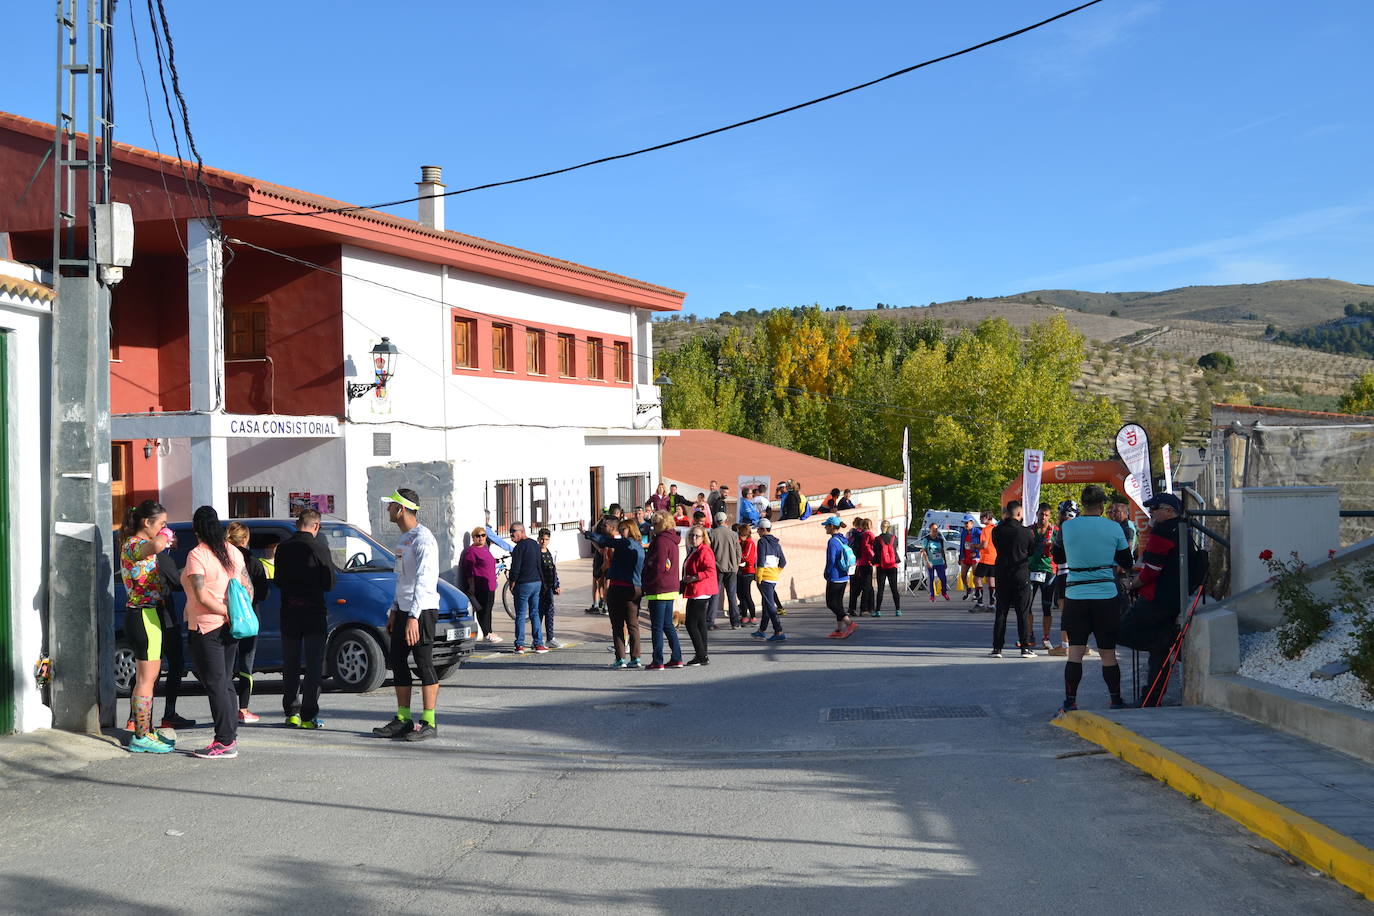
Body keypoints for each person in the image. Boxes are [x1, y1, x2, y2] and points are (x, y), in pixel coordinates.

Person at [1053, 485, 1134, 713]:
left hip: (1075, 595)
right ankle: (1115, 700)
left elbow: (1058, 557)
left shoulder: (1066, 527)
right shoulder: (1114, 527)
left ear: (1084, 504)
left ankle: (1070, 702)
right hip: (1105, 595)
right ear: (1101, 506)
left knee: (1075, 653)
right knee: (1107, 653)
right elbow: (1127, 562)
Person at [371, 489, 444, 741]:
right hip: (403, 609)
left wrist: (413, 616)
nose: (388, 510)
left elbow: (425, 580)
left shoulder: (424, 539)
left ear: (401, 509)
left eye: (391, 506)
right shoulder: (404, 540)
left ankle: (429, 722)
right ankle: (403, 718)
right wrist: (394, 609)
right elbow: (402, 578)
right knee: (398, 660)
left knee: (423, 663)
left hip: (421, 610)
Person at [182, 505, 252, 759]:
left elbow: (200, 594)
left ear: (196, 529)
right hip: (231, 627)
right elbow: (247, 586)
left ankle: (224, 742)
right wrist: (236, 613)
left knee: (215, 684)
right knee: (224, 682)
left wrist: (224, 612)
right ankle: (229, 736)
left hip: (207, 626)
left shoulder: (197, 555)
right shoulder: (233, 551)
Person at [1123, 493, 1192, 707]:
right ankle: (1151, 697)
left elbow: (1152, 569)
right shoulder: (1184, 528)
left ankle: (1173, 646)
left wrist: (1134, 584)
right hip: (1175, 595)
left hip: (1159, 597)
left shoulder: (1162, 531)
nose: (1151, 512)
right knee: (1157, 649)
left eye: (1155, 508)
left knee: (1126, 630)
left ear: (1170, 510)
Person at [118, 500, 177, 752]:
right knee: (146, 679)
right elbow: (157, 545)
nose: (164, 528)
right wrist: (165, 535)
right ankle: (141, 736)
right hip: (142, 616)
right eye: (161, 523)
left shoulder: (137, 545)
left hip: (147, 615)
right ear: (146, 522)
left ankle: (146, 729)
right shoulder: (134, 544)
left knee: (149, 678)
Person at [274, 508, 337, 729]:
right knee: (313, 665)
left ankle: (291, 712)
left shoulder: (282, 548)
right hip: (313, 612)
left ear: (296, 523)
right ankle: (309, 716)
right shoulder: (320, 548)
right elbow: (330, 582)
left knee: (290, 664)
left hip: (289, 612)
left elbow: (279, 580)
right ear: (316, 526)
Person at [581, 518, 645, 668]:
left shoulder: (625, 543)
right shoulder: (640, 547)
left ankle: (620, 658)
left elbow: (605, 541)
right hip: (635, 587)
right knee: (633, 625)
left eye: (624, 529)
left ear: (629, 530)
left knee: (617, 625)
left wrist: (587, 533)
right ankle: (636, 658)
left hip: (618, 587)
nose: (621, 531)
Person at [225, 522, 271, 724]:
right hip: (249, 617)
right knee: (246, 663)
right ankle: (243, 709)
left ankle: (226, 707)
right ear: (245, 539)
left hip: (225, 616)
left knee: (226, 665)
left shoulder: (222, 558)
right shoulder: (253, 562)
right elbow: (263, 592)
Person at [990, 501, 1036, 658]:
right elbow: (1031, 551)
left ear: (1007, 513)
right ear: (1018, 514)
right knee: (1022, 612)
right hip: (1020, 574)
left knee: (1001, 612)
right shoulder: (1027, 532)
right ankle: (1024, 647)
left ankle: (997, 648)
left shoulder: (996, 531)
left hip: (1002, 573)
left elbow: (997, 547)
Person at [642, 511, 685, 670]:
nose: (653, 527)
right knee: (667, 624)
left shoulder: (660, 541)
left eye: (655, 523)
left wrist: (647, 581)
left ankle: (657, 660)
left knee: (657, 627)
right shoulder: (673, 540)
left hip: (658, 587)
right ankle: (677, 657)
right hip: (670, 587)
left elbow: (658, 566)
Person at [506, 521, 547, 653]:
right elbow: (539, 563)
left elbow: (515, 567)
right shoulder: (534, 544)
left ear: (522, 531)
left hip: (524, 584)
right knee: (535, 613)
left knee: (521, 614)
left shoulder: (519, 548)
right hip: (536, 583)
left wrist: (512, 582)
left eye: (513, 531)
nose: (511, 534)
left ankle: (520, 644)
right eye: (510, 532)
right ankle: (538, 643)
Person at [680, 524, 719, 666]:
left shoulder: (705, 551)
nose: (694, 538)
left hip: (700, 590)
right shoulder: (694, 550)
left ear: (703, 538)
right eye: (692, 535)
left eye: (697, 536)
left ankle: (701, 655)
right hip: (695, 589)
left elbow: (710, 570)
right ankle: (703, 654)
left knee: (691, 624)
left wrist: (694, 577)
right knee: (701, 623)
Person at [458, 526, 502, 644]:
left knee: (489, 608)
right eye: (478, 536)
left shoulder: (485, 548)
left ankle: (490, 631)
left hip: (490, 585)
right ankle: (486, 633)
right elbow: (469, 571)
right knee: (483, 610)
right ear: (473, 538)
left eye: (483, 535)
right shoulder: (471, 551)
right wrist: (471, 586)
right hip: (480, 586)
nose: (481, 538)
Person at [1028, 505, 1058, 651]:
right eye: (1041, 514)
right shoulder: (1029, 530)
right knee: (1027, 606)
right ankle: (1029, 635)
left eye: (1046, 515)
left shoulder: (1055, 531)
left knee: (1047, 607)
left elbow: (1062, 550)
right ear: (1037, 514)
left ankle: (1046, 638)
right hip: (1031, 570)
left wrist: (1052, 547)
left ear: (1050, 516)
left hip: (1048, 572)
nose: (1043, 517)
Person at [752, 518, 787, 641]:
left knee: (770, 605)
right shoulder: (776, 543)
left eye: (758, 530)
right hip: (773, 577)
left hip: (765, 577)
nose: (758, 532)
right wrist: (775, 572)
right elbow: (783, 562)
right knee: (766, 603)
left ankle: (778, 631)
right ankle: (761, 630)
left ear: (763, 529)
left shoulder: (762, 542)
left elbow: (760, 560)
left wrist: (759, 576)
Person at [822, 516, 856, 638]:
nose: (825, 528)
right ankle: (839, 630)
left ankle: (849, 623)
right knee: (839, 603)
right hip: (844, 575)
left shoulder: (832, 541)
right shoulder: (843, 539)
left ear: (831, 527)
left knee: (831, 603)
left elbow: (831, 560)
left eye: (826, 525)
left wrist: (827, 572)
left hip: (834, 576)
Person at [709, 512, 742, 629]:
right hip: (732, 568)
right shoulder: (733, 534)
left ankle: (710, 622)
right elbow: (739, 552)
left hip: (717, 568)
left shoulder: (712, 533)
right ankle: (735, 622)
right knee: (732, 595)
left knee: (714, 595)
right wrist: (736, 564)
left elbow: (709, 552)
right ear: (725, 520)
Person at [536, 528, 562, 648]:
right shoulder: (536, 553)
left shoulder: (549, 552)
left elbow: (553, 569)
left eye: (546, 539)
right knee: (539, 614)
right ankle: (537, 639)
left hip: (549, 588)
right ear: (538, 539)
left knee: (550, 613)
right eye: (542, 539)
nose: (544, 541)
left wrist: (556, 584)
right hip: (540, 588)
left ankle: (550, 638)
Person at [874, 520, 904, 615]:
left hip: (881, 566)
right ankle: (898, 610)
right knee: (894, 588)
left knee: (881, 589)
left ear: (881, 527)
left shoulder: (877, 539)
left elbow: (875, 551)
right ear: (889, 527)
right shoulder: (894, 538)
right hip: (892, 565)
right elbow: (895, 548)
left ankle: (878, 611)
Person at [848, 517, 876, 617]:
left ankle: (852, 608)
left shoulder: (852, 534)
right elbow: (869, 547)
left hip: (855, 563)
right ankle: (865, 609)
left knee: (855, 587)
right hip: (866, 563)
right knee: (867, 587)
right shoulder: (868, 534)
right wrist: (874, 558)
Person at [975, 511, 998, 610]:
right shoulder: (996, 528)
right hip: (995, 558)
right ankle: (992, 604)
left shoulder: (986, 530)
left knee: (976, 579)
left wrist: (974, 546)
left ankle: (980, 603)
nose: (980, 519)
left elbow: (984, 545)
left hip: (986, 559)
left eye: (981, 517)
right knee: (991, 581)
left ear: (987, 517)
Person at [921, 522, 948, 605]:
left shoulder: (940, 539)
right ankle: (932, 595)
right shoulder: (926, 539)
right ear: (930, 530)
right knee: (931, 578)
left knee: (943, 578)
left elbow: (942, 551)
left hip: (939, 562)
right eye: (933, 530)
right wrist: (927, 561)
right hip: (930, 563)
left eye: (936, 530)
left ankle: (944, 592)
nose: (935, 531)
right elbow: (924, 551)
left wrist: (945, 562)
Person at [737, 522, 758, 626]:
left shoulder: (750, 543)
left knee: (746, 594)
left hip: (748, 571)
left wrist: (737, 558)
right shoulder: (741, 542)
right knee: (740, 594)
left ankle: (753, 615)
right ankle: (744, 615)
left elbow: (746, 556)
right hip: (740, 571)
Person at [958, 515, 980, 608]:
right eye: (964, 523)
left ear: (972, 523)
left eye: (967, 523)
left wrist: (976, 552)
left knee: (975, 575)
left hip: (975, 557)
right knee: (963, 575)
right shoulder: (963, 532)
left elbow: (982, 543)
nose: (965, 525)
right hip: (966, 557)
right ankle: (968, 589)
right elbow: (962, 544)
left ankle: (977, 593)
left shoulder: (977, 532)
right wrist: (960, 556)